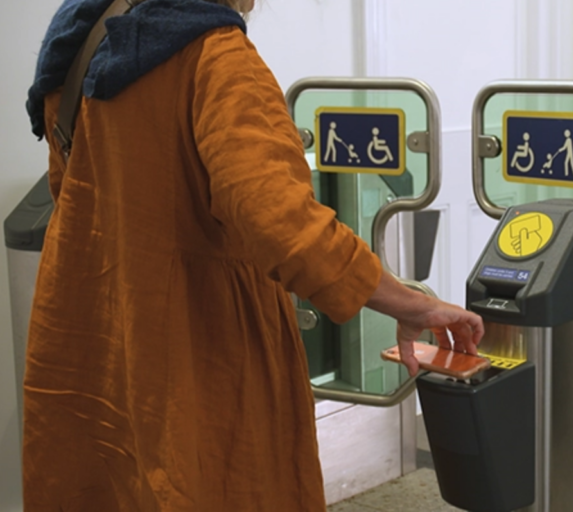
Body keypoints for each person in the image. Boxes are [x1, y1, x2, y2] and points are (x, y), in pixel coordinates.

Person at [23, 0, 484, 511]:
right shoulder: (216, 56)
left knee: (107, 481)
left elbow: (68, 189)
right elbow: (282, 223)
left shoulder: (81, 38)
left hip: (90, 328)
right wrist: (410, 302)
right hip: (196, 342)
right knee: (210, 480)